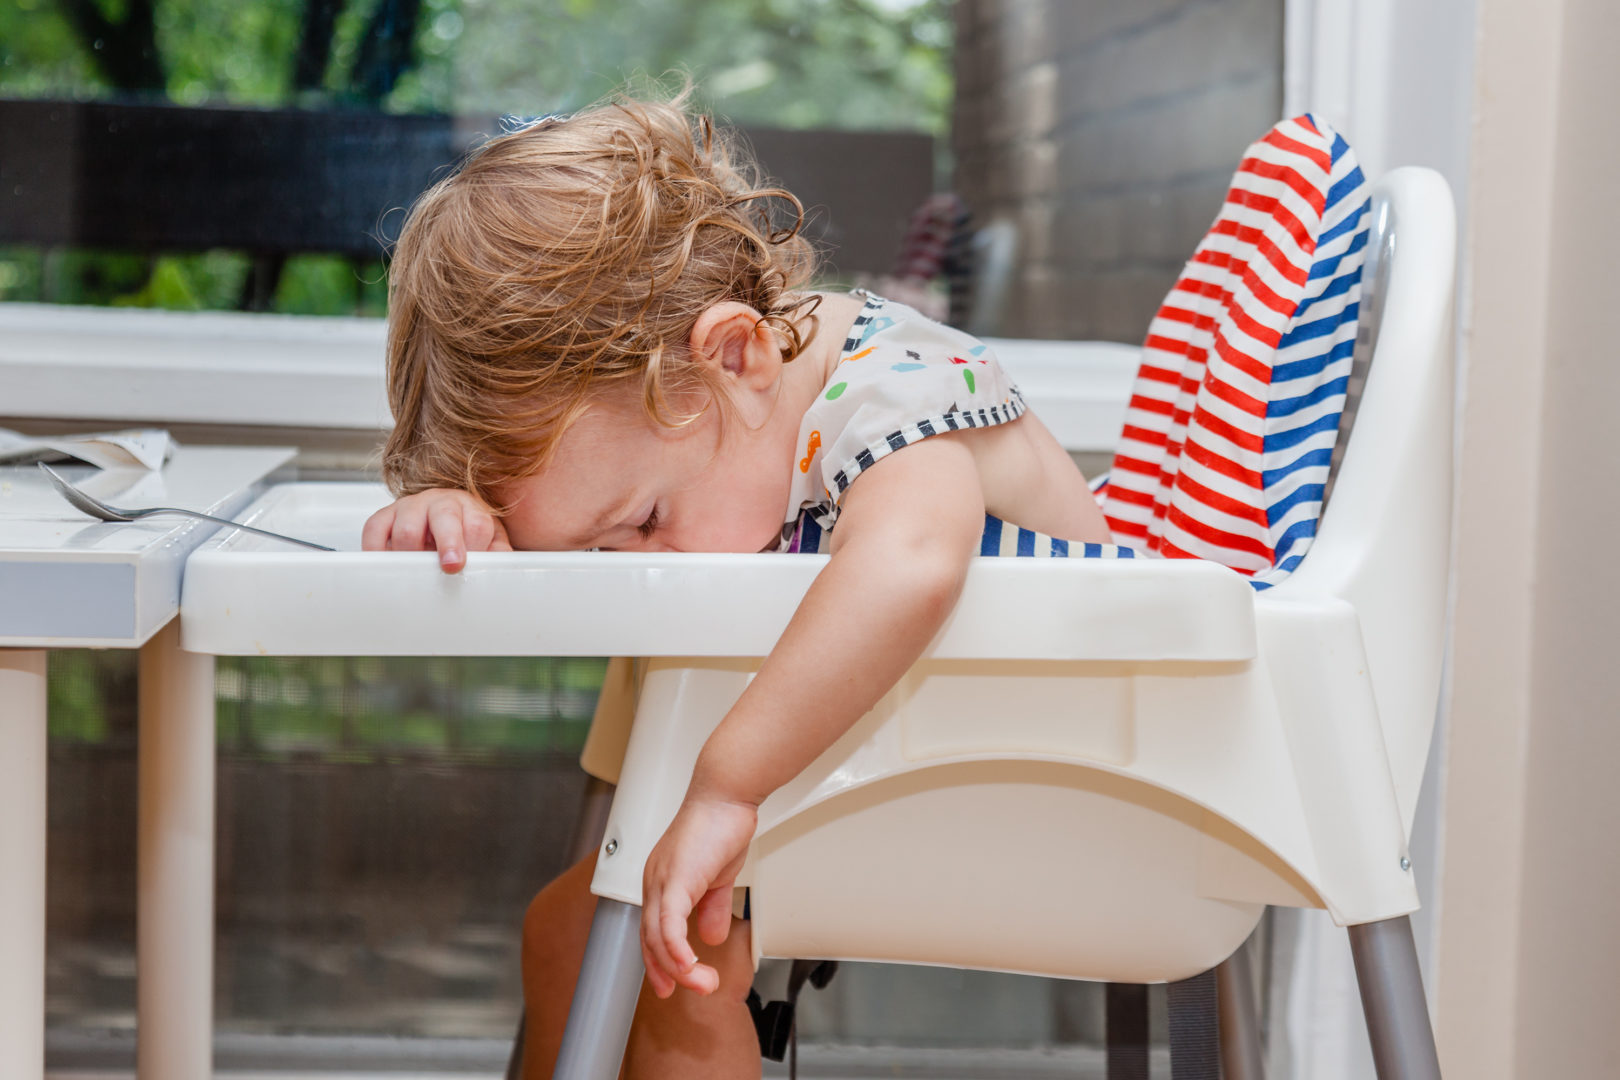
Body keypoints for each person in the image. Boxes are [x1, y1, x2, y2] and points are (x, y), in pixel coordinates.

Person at [361, 91, 1113, 1079]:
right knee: (567, 929)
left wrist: (727, 784)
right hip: (891, 775)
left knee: (675, 956)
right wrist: (462, 516)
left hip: (1053, 791)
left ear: (736, 354)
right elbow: (588, 488)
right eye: (598, 549)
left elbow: (914, 563)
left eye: (641, 523)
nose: (634, 567)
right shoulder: (721, 416)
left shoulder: (899, 384)